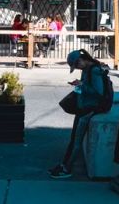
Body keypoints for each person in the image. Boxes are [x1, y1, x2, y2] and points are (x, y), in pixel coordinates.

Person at [49, 50, 107, 179]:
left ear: (81, 60)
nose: (77, 68)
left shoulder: (94, 71)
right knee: (74, 138)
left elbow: (99, 92)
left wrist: (82, 85)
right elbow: (87, 87)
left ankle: (67, 168)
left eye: (77, 66)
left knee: (77, 140)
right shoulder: (87, 70)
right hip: (83, 107)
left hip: (89, 109)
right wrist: (79, 85)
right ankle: (64, 164)